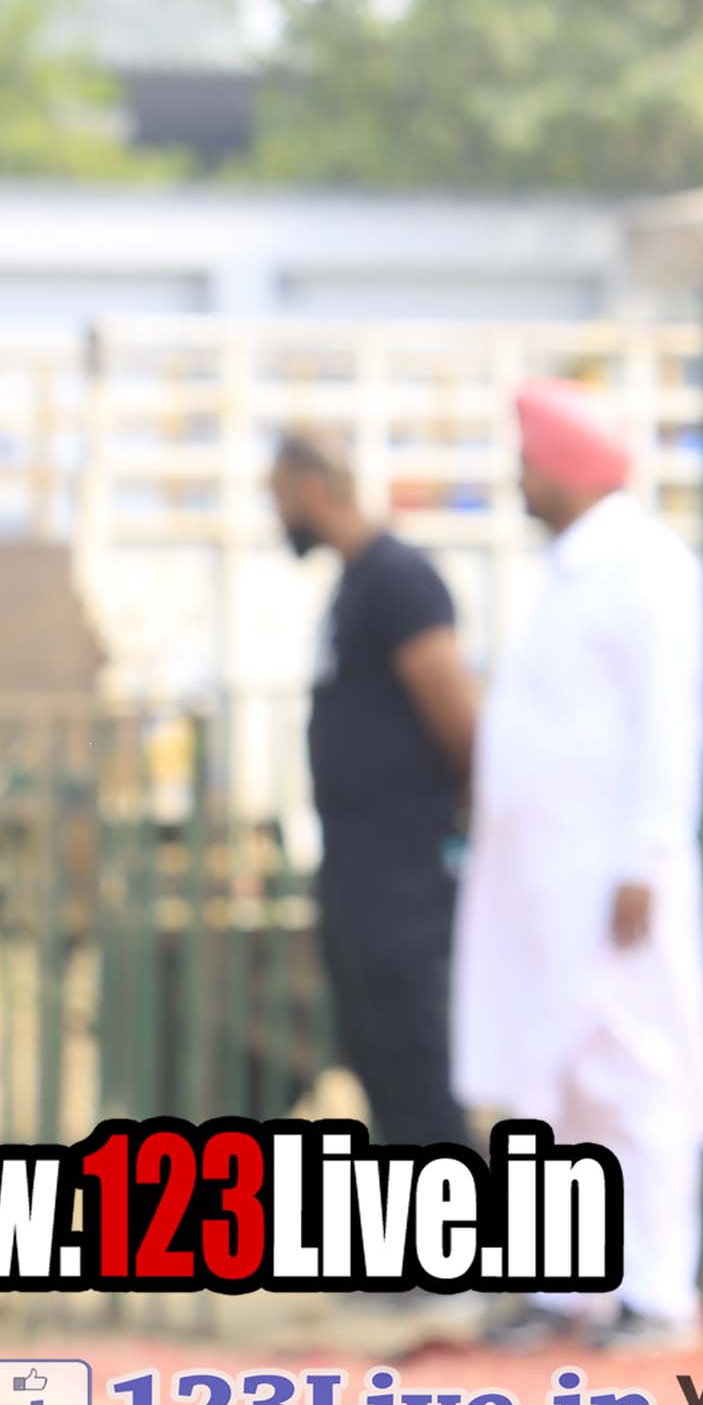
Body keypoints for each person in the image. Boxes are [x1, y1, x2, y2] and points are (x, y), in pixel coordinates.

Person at [450, 382, 703, 1351]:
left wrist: (645, 858)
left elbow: (668, 723)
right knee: (551, 1085)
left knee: (633, 1076)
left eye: (528, 462)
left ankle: (658, 1294)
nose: (519, 480)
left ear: (562, 468)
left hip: (613, 881)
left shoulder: (646, 566)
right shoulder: (569, 570)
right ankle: (563, 1290)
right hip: (543, 882)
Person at [269, 431, 476, 1153]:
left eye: (280, 498)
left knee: (418, 1071)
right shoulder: (355, 584)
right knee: (382, 1068)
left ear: (313, 490)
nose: (279, 517)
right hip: (359, 874)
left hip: (402, 880)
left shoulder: (399, 578)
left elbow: (457, 718)